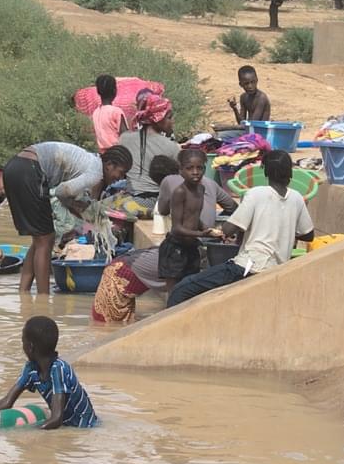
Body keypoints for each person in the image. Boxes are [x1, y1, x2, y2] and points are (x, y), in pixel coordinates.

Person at [167, 149, 312, 306]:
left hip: (249, 266)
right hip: (277, 267)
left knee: (182, 289)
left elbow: (228, 230)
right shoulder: (297, 198)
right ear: (290, 172)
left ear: (265, 171)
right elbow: (308, 235)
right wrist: (283, 230)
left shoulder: (256, 194)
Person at [1, 142, 132, 294]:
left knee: (40, 239)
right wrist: (75, 206)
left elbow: (65, 194)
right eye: (121, 173)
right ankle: (43, 300)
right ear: (109, 165)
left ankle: (24, 292)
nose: (120, 178)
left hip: (15, 167)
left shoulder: (92, 161)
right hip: (30, 170)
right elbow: (62, 192)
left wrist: (75, 207)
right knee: (47, 240)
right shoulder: (96, 173)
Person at [0, 315, 99, 428]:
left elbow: (56, 418)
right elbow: (7, 402)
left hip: (84, 427)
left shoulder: (59, 369)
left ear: (30, 347)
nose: (22, 346)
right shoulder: (31, 368)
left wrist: (28, 432)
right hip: (66, 424)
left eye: (23, 341)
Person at [157, 146, 228, 286]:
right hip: (175, 249)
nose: (195, 172)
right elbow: (177, 228)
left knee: (189, 289)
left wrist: (209, 229)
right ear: (181, 170)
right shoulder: (179, 192)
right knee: (174, 293)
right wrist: (202, 233)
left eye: (199, 168)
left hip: (192, 248)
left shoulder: (201, 189)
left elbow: (193, 216)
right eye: (190, 168)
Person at [116, 89, 181, 198]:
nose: (172, 121)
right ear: (158, 119)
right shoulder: (171, 147)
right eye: (169, 117)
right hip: (154, 200)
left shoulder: (124, 138)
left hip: (129, 197)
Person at [89, 74, 127, 150]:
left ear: (98, 91)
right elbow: (125, 136)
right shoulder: (116, 112)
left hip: (103, 154)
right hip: (117, 153)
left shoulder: (96, 112)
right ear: (114, 90)